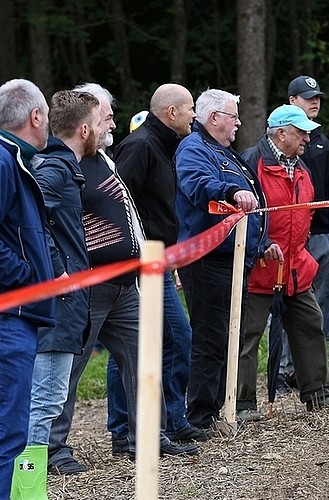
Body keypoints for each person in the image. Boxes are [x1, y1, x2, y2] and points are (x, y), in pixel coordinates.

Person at [47, 84, 198, 474]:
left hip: (125, 284)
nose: (112, 122)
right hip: (91, 284)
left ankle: (145, 437)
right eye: (106, 117)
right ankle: (53, 449)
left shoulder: (104, 159)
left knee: (144, 358)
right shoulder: (62, 165)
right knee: (69, 368)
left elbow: (129, 213)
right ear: (85, 124)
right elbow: (49, 222)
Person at [235, 105, 329, 417]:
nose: (307, 137)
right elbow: (241, 215)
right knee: (248, 335)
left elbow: (305, 215)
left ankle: (317, 394)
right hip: (259, 267)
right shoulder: (251, 162)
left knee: (311, 324)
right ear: (281, 132)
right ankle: (242, 404)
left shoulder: (301, 166)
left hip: (295, 266)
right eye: (301, 131)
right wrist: (262, 244)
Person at [115, 84, 205, 443]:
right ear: (171, 113)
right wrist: (135, 253)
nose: (194, 115)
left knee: (145, 342)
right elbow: (117, 203)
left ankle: (167, 420)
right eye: (190, 109)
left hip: (162, 260)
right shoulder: (139, 146)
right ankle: (129, 428)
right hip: (141, 261)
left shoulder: (167, 145)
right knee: (154, 340)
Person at [175, 89, 267, 431]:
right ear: (213, 118)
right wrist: (230, 192)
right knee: (210, 338)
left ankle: (216, 409)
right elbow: (198, 186)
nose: (239, 123)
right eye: (233, 116)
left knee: (229, 336)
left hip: (235, 258)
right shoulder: (194, 149)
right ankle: (200, 416)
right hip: (207, 259)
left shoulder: (225, 152)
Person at [27, 90, 99, 470]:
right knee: (45, 399)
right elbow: (28, 217)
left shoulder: (66, 169)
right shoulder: (53, 170)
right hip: (59, 302)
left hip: (69, 302)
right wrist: (59, 271)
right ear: (84, 128)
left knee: (48, 396)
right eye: (102, 122)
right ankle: (28, 482)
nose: (107, 129)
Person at [0, 78, 54, 500]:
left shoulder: (14, 160)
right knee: (8, 433)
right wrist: (25, 275)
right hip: (10, 316)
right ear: (35, 116)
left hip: (17, 314)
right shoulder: (3, 161)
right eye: (47, 116)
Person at [286, 75, 329, 341]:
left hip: (321, 232)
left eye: (317, 98)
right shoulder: (280, 139)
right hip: (290, 234)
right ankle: (282, 368)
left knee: (320, 301)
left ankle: (311, 367)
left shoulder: (321, 140)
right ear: (293, 101)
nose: (314, 102)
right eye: (309, 98)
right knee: (287, 301)